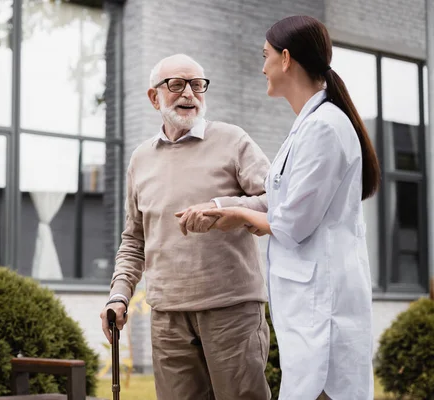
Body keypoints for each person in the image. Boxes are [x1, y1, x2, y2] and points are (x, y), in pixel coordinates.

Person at [194, 15, 380, 400]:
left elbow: (292, 223)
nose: (262, 67)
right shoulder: (310, 125)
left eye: (265, 56)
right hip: (309, 305)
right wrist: (231, 210)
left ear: (286, 59)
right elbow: (282, 206)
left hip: (324, 309)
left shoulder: (325, 127)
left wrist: (240, 216)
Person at [99, 53, 272, 400]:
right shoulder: (140, 159)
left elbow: (279, 201)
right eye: (176, 85)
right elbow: (134, 239)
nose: (189, 94)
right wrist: (119, 295)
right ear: (154, 97)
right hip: (167, 317)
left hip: (231, 310)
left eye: (197, 85)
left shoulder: (233, 140)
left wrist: (225, 207)